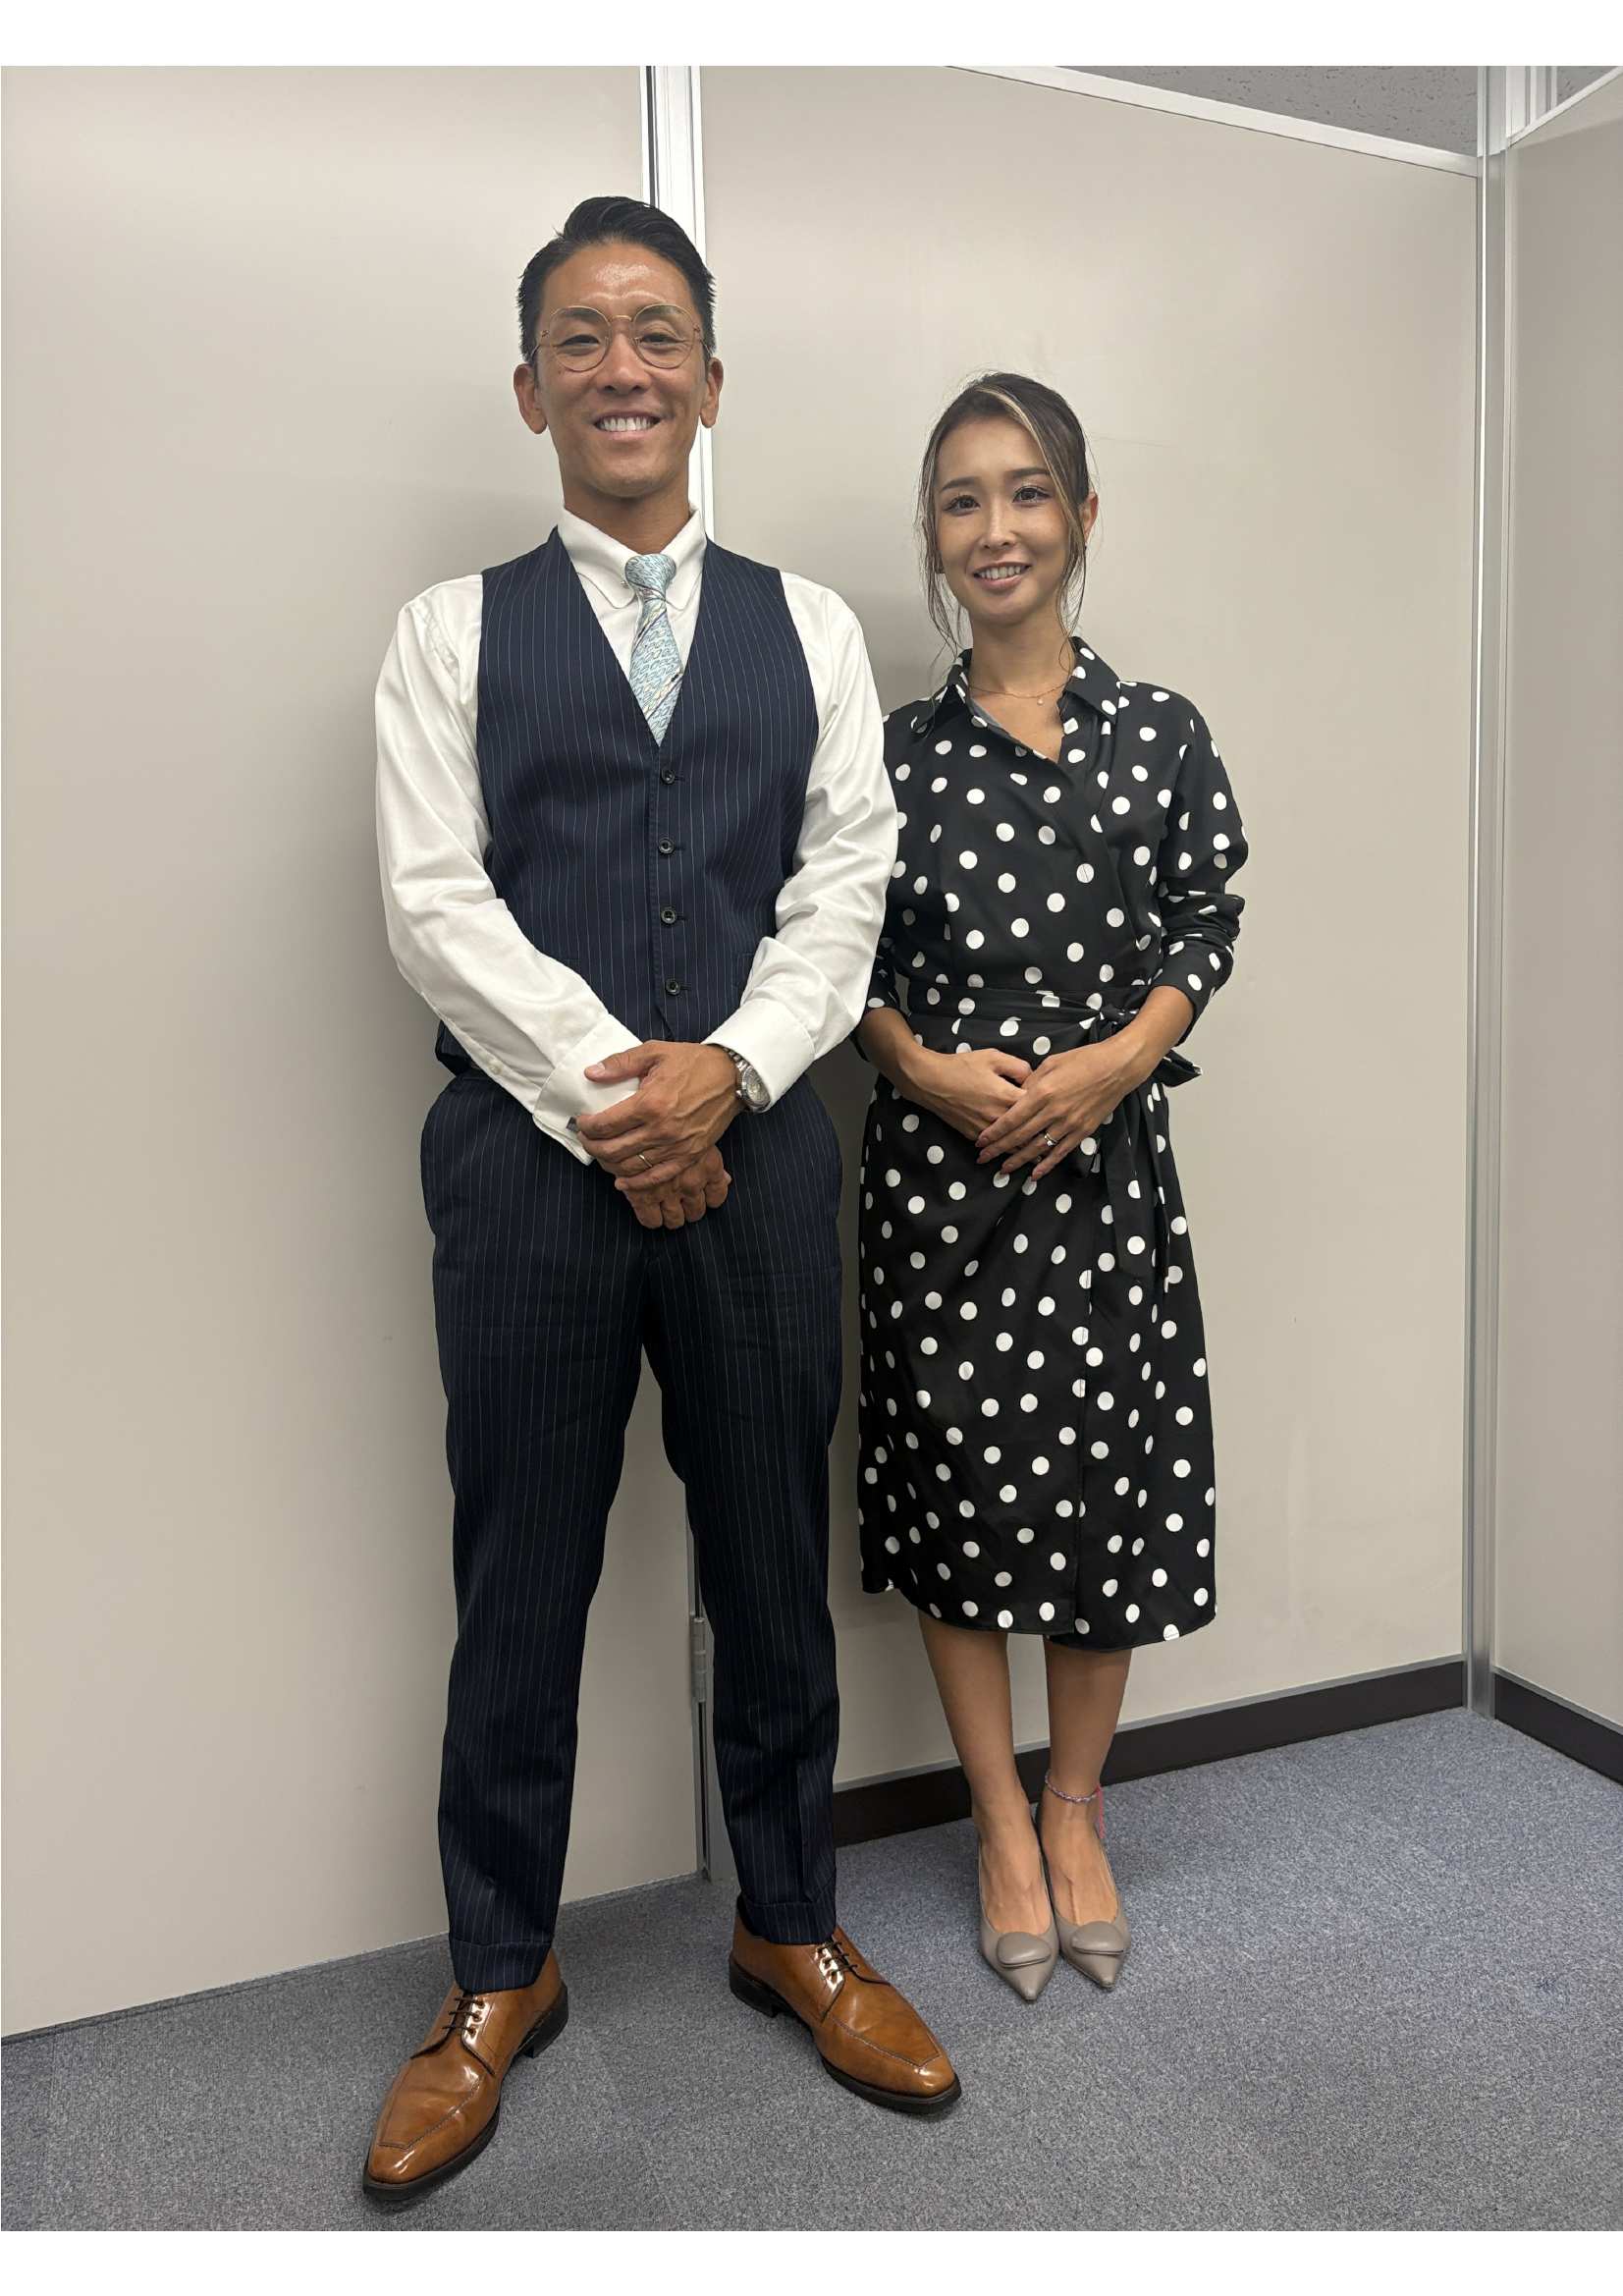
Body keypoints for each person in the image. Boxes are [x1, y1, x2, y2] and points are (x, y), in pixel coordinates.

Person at [366, 195, 960, 2205]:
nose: (619, 366)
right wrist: (622, 1093)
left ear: (710, 380)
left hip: (764, 1154)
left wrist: (735, 1070)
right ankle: (496, 1969)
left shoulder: (810, 632)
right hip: (523, 1174)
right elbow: (436, 905)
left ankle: (788, 1920)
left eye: (655, 333)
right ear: (529, 387)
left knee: (770, 1559)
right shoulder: (445, 634)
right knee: (519, 1568)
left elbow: (843, 882)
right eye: (580, 336)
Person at [855, 374, 1248, 2002]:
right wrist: (918, 1068)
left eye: (1025, 492)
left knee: (1104, 1495)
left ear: (1080, 517)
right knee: (960, 1495)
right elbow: (841, 964)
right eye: (961, 499)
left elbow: (1203, 922)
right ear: (933, 535)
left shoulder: (1161, 733)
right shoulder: (886, 755)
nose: (995, 527)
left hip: (1106, 1185)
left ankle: (1076, 1807)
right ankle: (998, 1821)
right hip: (940, 1192)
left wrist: (1117, 1061)